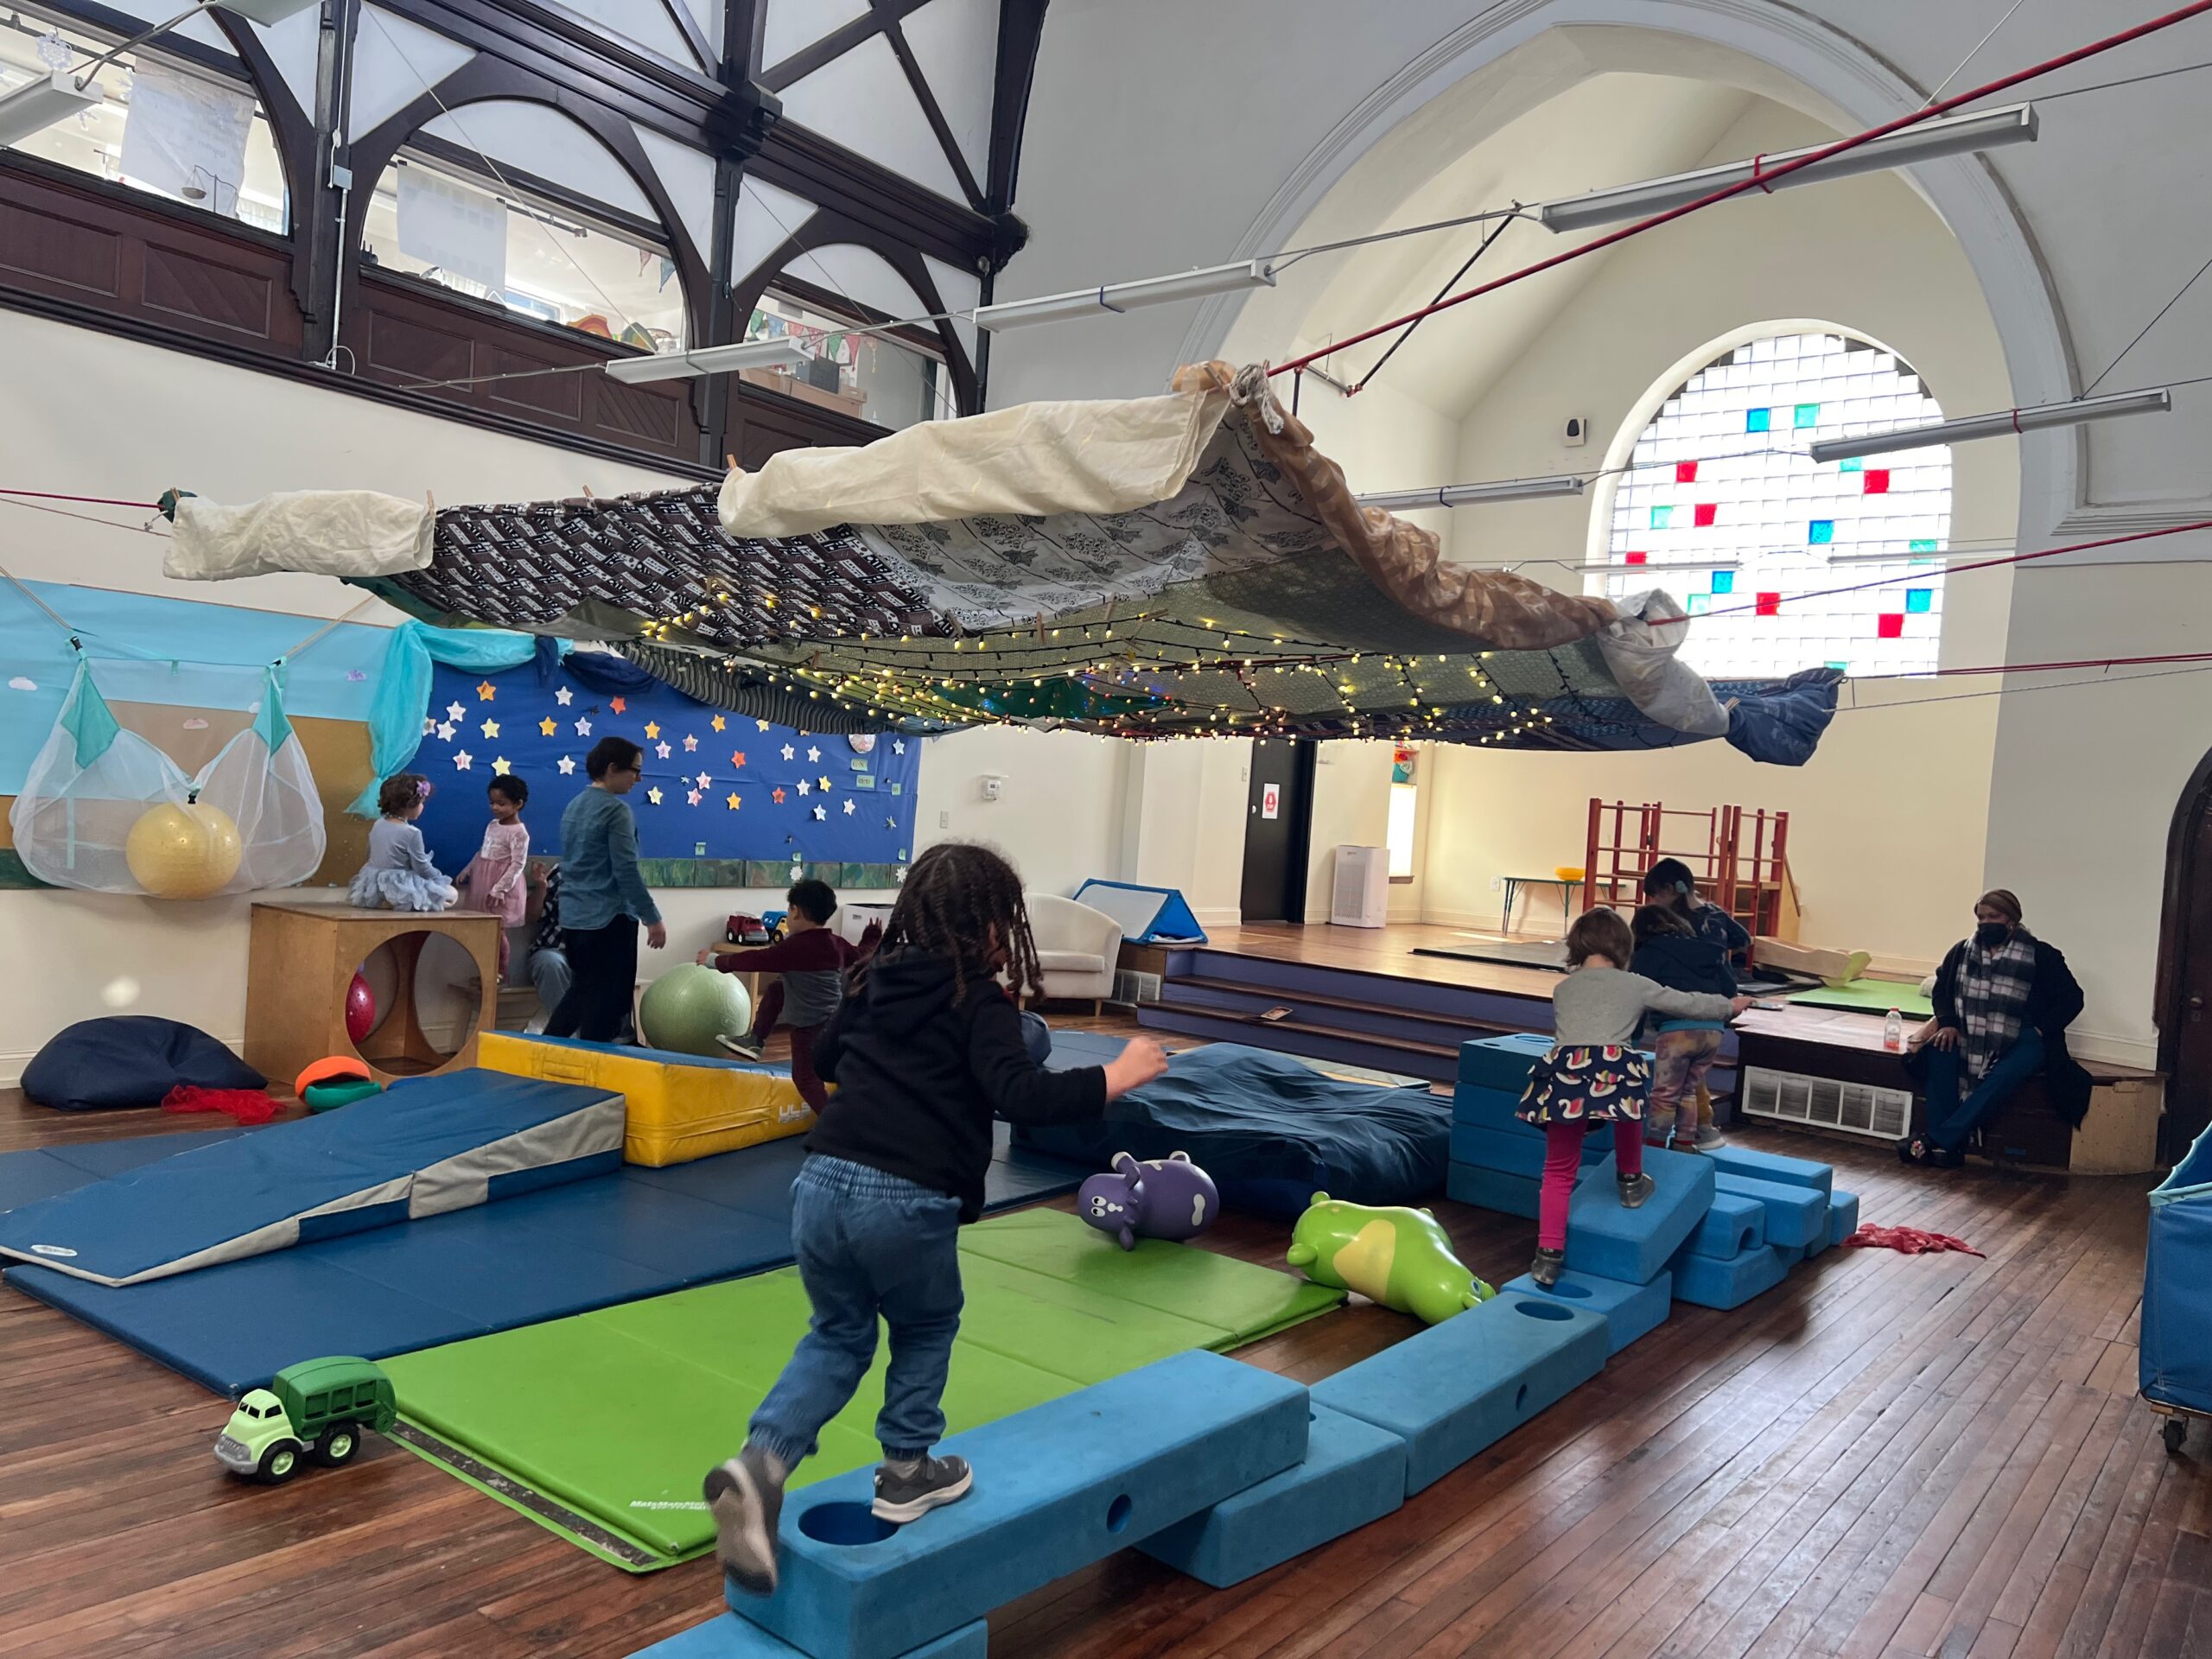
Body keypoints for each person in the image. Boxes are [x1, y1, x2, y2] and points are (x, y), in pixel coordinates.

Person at [702, 842, 1171, 1596]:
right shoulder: (979, 999)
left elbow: (827, 1059)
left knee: (838, 1332)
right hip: (904, 1197)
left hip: (820, 1182)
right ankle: (908, 1470)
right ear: (993, 928)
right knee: (923, 1325)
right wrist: (1117, 1074)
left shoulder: (874, 978)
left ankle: (760, 1465)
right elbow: (1021, 1096)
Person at [1519, 907, 1751, 1288]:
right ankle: (1630, 1180)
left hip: (1566, 1073)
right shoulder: (1634, 983)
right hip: (1612, 1068)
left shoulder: (1563, 988)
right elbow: (1685, 1002)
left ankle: (1547, 1256)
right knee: (1629, 1106)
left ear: (1577, 946)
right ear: (1623, 947)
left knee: (1558, 1171)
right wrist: (1729, 1005)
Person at [1898, 889, 2089, 1168]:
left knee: (2002, 1077)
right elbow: (1942, 992)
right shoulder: (1962, 952)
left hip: (2024, 1036)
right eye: (1981, 917)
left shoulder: (2041, 955)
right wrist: (1949, 1023)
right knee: (1938, 1055)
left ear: (2012, 918)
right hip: (1968, 1031)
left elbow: (2073, 998)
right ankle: (1950, 1149)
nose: (1986, 923)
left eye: (1994, 916)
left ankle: (1939, 1140)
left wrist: (2040, 1029)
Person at [544, 736, 665, 1042]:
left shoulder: (574, 806)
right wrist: (652, 917)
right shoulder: (616, 811)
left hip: (574, 918)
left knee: (582, 992)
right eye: (634, 771)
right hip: (608, 919)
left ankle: (545, 1052)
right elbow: (625, 870)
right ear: (612, 768)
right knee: (607, 1006)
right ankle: (595, 1077)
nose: (638, 779)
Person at [700, 878, 856, 1114]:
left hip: (809, 1025)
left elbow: (756, 959)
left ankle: (835, 1128)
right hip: (835, 1022)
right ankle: (755, 1041)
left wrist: (714, 960)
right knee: (777, 989)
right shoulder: (835, 942)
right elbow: (861, 954)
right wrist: (874, 935)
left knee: (805, 1078)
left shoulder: (796, 947)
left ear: (795, 911)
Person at [1630, 902, 1738, 1151]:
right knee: (1688, 1090)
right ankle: (1684, 1143)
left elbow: (1634, 997)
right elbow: (1730, 988)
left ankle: (1655, 1144)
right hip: (1713, 1029)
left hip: (1678, 1030)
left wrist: (1633, 1040)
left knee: (1665, 1094)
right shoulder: (1708, 950)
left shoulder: (1647, 954)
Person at [348, 774, 457, 912]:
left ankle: (384, 899)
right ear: (409, 805)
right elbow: (421, 867)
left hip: (374, 883)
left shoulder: (378, 823)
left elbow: (369, 852)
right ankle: (397, 901)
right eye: (421, 802)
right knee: (452, 894)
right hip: (400, 886)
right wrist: (439, 879)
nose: (422, 807)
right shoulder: (412, 833)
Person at [457, 774, 531, 976]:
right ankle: (485, 970)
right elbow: (484, 850)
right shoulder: (492, 825)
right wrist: (469, 868)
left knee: (498, 931)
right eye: (492, 802)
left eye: (501, 803)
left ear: (518, 804)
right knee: (484, 930)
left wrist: (500, 888)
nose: (495, 808)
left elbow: (518, 864)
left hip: (501, 887)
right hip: (483, 881)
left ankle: (501, 972)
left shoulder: (519, 833)